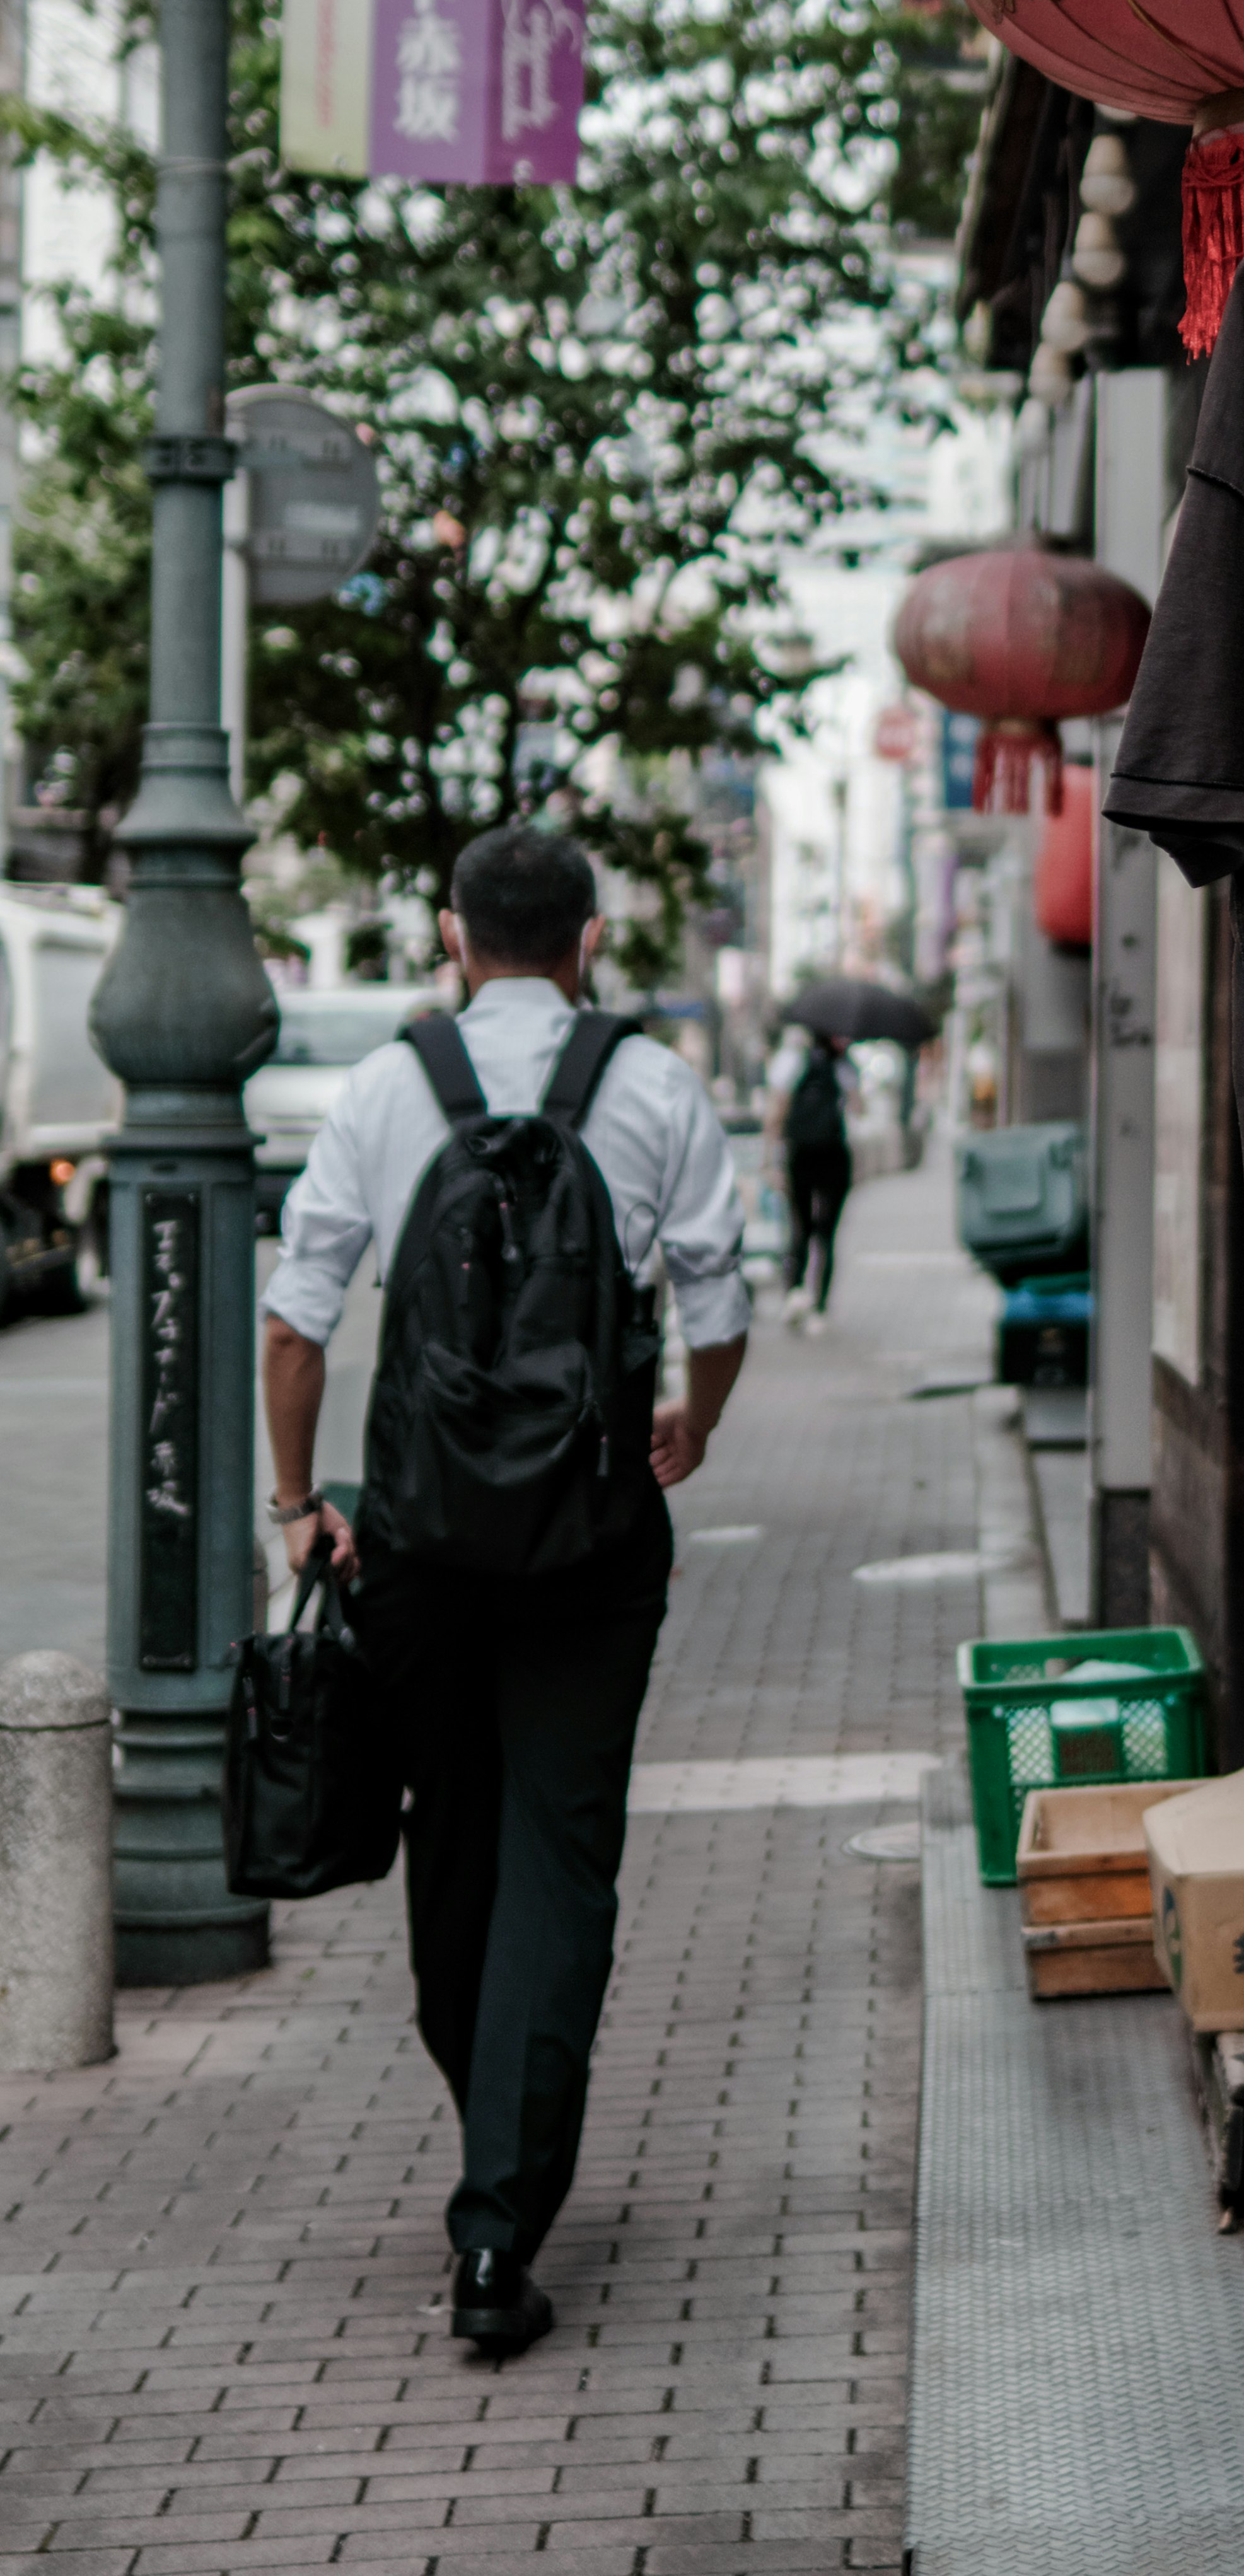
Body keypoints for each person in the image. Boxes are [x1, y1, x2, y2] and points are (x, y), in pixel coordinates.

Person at [259, 824, 750, 2355]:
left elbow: (299, 1316)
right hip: (594, 1538)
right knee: (562, 1852)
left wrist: (297, 1504)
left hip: (412, 1539)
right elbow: (724, 1289)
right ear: (588, 938)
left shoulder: (393, 1085)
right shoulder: (653, 1083)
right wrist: (695, 1420)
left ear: (453, 937)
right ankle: (502, 2212)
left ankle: (499, 2160)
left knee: (452, 1842)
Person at [773, 1028, 853, 1335]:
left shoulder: (793, 1063)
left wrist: (773, 1156)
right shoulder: (844, 1067)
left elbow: (778, 1110)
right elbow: (857, 1107)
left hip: (801, 1155)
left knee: (800, 1229)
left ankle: (794, 1296)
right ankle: (820, 1305)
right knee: (828, 1234)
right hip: (834, 1156)